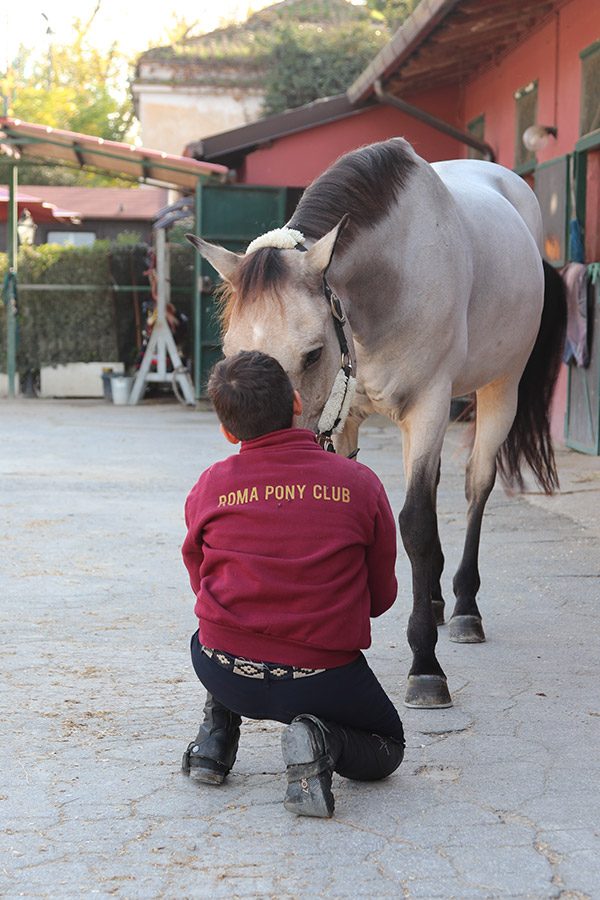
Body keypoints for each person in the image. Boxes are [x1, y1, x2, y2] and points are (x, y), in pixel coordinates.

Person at [181, 350, 405, 818]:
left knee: (215, 625)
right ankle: (319, 738)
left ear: (227, 431)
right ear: (298, 403)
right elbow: (381, 600)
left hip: (222, 667)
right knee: (389, 746)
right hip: (321, 681)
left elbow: (202, 584)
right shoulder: (359, 483)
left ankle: (215, 739)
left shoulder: (209, 485)